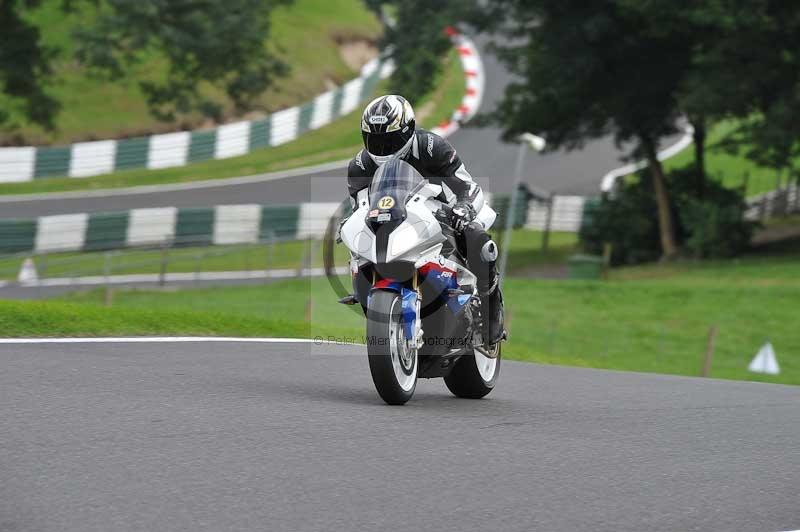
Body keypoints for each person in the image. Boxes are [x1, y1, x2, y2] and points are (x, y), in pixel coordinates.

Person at [346, 94, 505, 345]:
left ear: (408, 130)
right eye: (375, 140)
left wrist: (462, 209)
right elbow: (360, 206)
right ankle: (373, 299)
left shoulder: (433, 147)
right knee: (357, 249)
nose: (383, 146)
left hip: (439, 212)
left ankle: (491, 310)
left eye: (390, 139)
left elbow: (467, 186)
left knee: (479, 241)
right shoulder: (360, 165)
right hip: (393, 219)